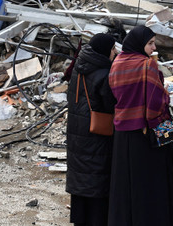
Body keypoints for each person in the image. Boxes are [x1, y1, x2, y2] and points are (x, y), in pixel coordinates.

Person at [107, 25, 173, 226]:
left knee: (128, 185)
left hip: (123, 131)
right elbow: (156, 103)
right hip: (149, 130)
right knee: (155, 183)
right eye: (150, 43)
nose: (153, 47)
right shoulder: (147, 65)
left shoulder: (117, 63)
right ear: (140, 44)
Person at [66, 33, 118, 226]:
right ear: (105, 50)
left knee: (82, 179)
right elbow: (109, 104)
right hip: (97, 135)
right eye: (113, 49)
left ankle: (80, 220)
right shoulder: (104, 74)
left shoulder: (79, 68)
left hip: (77, 132)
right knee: (97, 180)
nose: (115, 52)